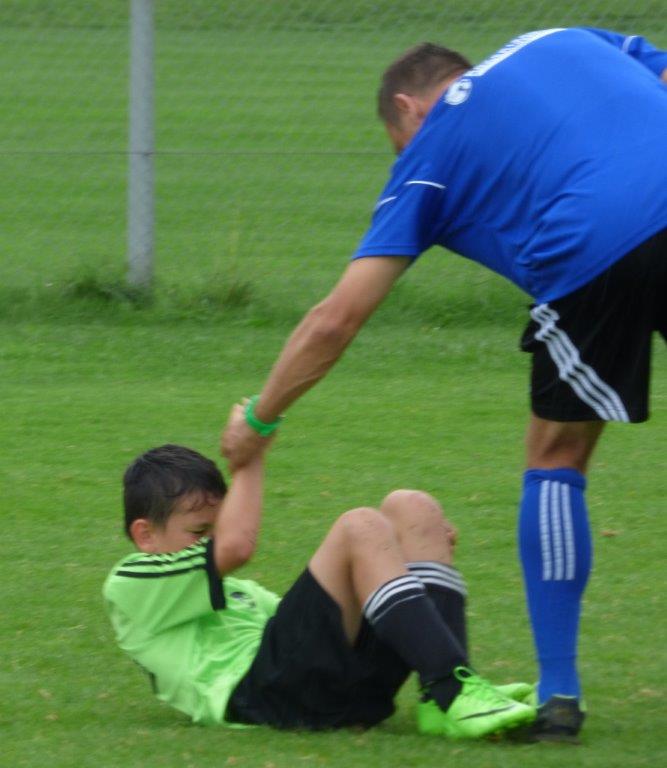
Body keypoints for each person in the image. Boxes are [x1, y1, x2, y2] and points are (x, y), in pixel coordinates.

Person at [221, 28, 667, 741]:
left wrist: (259, 421)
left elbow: (336, 320)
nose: (402, 157)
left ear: (408, 109)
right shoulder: (556, 37)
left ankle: (559, 694)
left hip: (593, 242)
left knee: (556, 455)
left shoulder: (427, 154)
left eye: (395, 145)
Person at [103, 407, 536, 739]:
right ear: (146, 535)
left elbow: (315, 632)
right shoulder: (129, 584)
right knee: (359, 526)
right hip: (259, 699)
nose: (212, 541)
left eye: (218, 528)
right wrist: (250, 454)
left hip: (331, 692)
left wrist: (416, 564)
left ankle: (443, 695)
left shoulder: (241, 593)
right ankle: (453, 688)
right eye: (200, 532)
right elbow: (237, 546)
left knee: (413, 508)